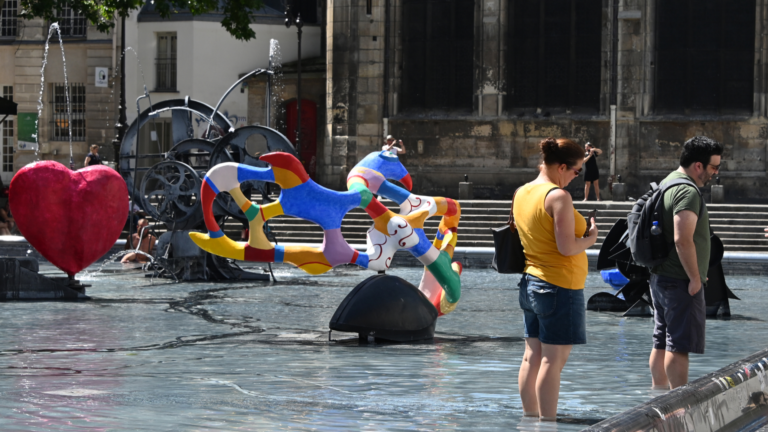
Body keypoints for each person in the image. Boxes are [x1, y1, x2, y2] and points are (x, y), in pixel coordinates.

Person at [514, 137, 598, 421]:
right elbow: (566, 248)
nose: (576, 177)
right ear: (562, 167)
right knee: (553, 360)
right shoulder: (558, 196)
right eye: (576, 171)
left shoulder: (522, 192)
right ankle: (547, 424)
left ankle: (530, 419)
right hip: (560, 285)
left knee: (532, 356)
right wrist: (591, 238)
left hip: (530, 282)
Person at [648, 136, 722, 390]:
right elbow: (682, 239)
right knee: (679, 345)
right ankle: (678, 408)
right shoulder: (687, 191)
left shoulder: (667, 182)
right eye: (714, 167)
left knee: (661, 341)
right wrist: (694, 277)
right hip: (679, 279)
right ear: (698, 166)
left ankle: (657, 400)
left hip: (660, 277)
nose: (716, 173)